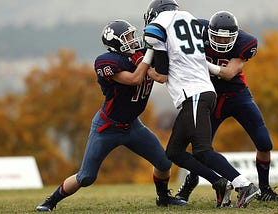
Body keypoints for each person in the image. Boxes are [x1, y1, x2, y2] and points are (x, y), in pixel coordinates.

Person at [35, 19, 187, 212]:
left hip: (133, 126)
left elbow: (163, 70)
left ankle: (163, 197)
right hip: (107, 127)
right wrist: (150, 53)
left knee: (164, 163)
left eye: (132, 35)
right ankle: (50, 201)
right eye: (127, 38)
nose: (133, 40)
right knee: (86, 177)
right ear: (115, 43)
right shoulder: (107, 62)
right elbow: (134, 79)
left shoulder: (141, 54)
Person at [143, 0, 260, 208]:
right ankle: (219, 183)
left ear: (155, 13)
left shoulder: (158, 24)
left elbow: (160, 75)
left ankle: (245, 185)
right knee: (174, 153)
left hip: (194, 94)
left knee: (203, 150)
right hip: (200, 92)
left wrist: (145, 68)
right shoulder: (189, 18)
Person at [175, 11, 278, 203]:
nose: (221, 41)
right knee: (200, 150)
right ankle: (188, 186)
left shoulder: (246, 42)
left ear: (236, 36)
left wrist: (200, 61)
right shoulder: (197, 30)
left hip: (237, 96)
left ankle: (265, 189)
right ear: (209, 32)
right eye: (217, 36)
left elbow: (228, 73)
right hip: (209, 98)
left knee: (265, 143)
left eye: (226, 38)